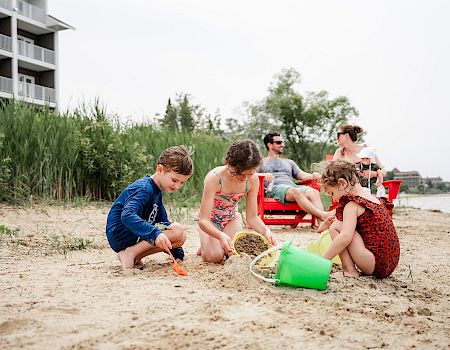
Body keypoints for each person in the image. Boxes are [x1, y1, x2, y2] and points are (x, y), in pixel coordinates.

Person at [106, 146, 193, 270]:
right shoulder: (144, 188)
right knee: (177, 230)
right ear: (160, 169)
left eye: (182, 182)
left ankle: (133, 254)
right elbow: (127, 215)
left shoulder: (156, 192)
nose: (177, 186)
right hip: (122, 233)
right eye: (174, 180)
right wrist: (155, 234)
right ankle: (130, 253)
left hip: (134, 234)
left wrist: (177, 254)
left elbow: (162, 222)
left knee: (180, 235)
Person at [198, 140, 276, 263]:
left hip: (231, 218)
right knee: (215, 257)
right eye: (239, 174)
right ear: (228, 164)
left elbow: (252, 217)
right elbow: (203, 220)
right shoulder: (214, 178)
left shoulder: (252, 180)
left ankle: (214, 242)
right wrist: (219, 235)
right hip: (210, 222)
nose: (244, 179)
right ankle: (207, 244)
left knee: (237, 253)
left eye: (250, 174)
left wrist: (266, 231)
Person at [320, 160, 400, 278]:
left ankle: (349, 270)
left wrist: (322, 260)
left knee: (336, 227)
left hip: (373, 263)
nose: (334, 199)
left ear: (342, 184)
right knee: (340, 226)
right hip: (390, 263)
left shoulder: (352, 205)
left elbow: (345, 238)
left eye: (332, 193)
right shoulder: (373, 199)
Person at [258, 133, 333, 223]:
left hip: (291, 187)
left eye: (282, 142)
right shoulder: (261, 162)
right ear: (269, 145)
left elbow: (302, 175)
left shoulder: (290, 162)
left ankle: (322, 224)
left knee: (314, 192)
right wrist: (263, 175)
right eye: (278, 142)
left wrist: (314, 175)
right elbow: (251, 175)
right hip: (274, 188)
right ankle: (322, 215)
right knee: (295, 191)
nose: (282, 145)